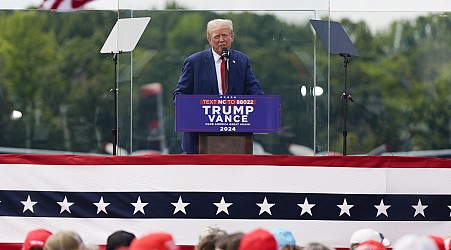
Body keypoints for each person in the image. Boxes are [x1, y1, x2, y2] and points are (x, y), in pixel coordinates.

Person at [173, 18, 265, 154]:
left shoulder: (242, 61)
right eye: (217, 36)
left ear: (232, 37)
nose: (221, 40)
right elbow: (180, 95)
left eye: (225, 35)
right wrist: (197, 110)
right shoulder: (194, 62)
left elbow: (255, 90)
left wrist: (263, 105)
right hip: (199, 142)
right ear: (209, 39)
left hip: (235, 140)